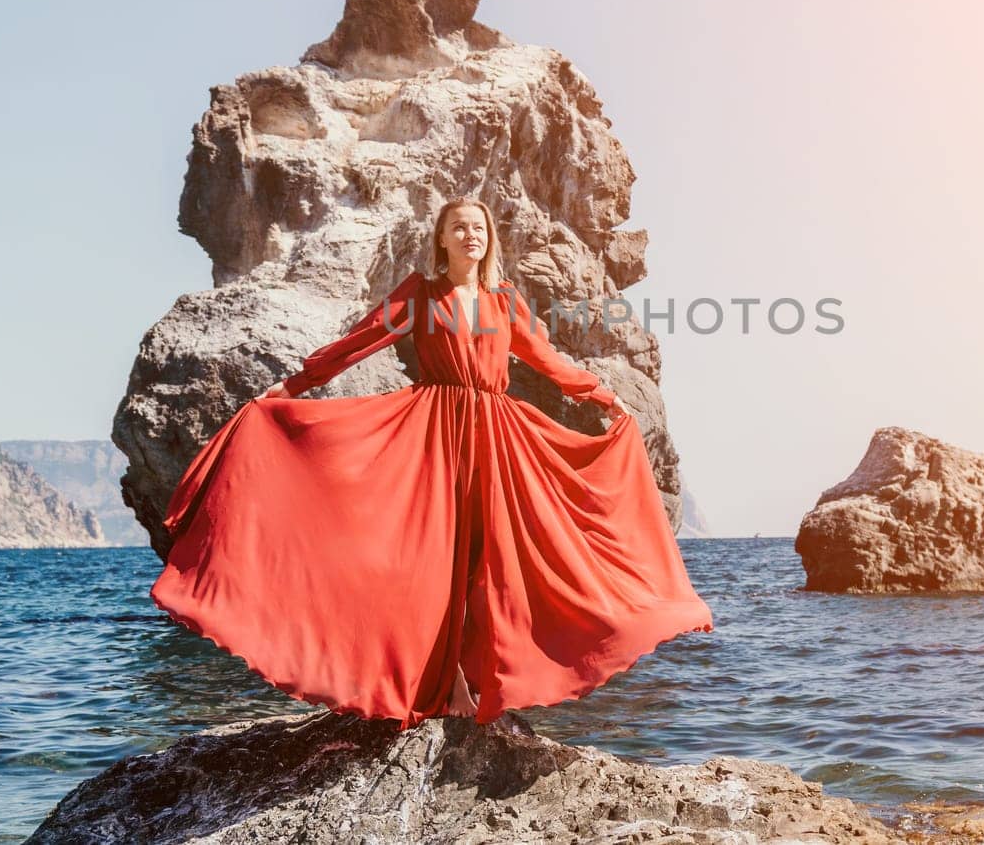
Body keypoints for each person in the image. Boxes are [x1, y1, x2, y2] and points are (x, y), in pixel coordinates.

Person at [149, 196, 713, 729]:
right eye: (460, 227)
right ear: (441, 239)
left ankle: (475, 681)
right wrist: (293, 386)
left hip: (496, 433)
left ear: (490, 241)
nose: (471, 235)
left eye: (480, 228)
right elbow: (361, 341)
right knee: (434, 558)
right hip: (434, 430)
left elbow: (546, 358)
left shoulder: (505, 301)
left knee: (490, 559)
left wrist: (602, 395)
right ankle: (437, 686)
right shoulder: (421, 293)